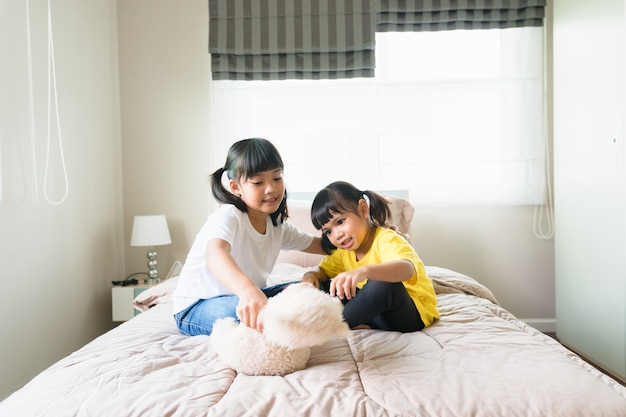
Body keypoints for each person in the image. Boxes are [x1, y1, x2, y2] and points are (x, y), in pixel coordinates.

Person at [172, 138, 324, 336]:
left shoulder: (277, 227)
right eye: (258, 182)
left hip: (252, 298)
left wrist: (360, 238)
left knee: (315, 291)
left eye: (277, 178)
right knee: (265, 314)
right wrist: (248, 290)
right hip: (196, 306)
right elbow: (215, 254)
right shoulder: (229, 216)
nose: (271, 188)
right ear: (235, 187)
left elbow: (323, 246)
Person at [301, 181, 439, 332]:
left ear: (363, 209)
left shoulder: (387, 238)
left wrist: (364, 271)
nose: (337, 235)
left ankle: (329, 325)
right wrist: (310, 277)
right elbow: (322, 270)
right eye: (328, 232)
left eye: (340, 222)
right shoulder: (343, 252)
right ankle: (343, 319)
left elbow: (407, 269)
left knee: (383, 284)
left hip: (410, 315)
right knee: (329, 286)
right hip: (378, 316)